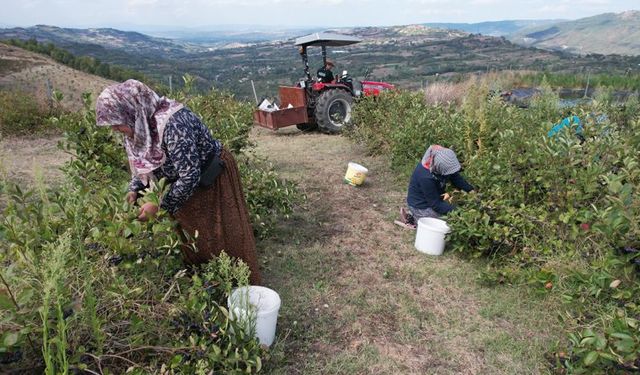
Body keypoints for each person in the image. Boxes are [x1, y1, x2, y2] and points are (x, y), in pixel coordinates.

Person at [95, 79, 261, 284]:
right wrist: (134, 189)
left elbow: (190, 175)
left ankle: (239, 284)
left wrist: (158, 205)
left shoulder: (173, 124)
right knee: (195, 237)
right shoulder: (139, 128)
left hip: (211, 178)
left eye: (116, 123)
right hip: (182, 185)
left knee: (222, 233)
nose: (115, 129)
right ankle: (209, 282)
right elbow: (141, 163)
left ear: (131, 112)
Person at [397, 145, 474, 229]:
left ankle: (415, 216)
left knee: (451, 215)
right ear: (439, 168)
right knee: (447, 224)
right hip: (422, 206)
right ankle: (413, 219)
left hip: (433, 198)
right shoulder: (425, 177)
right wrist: (460, 211)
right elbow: (436, 204)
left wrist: (471, 190)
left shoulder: (441, 161)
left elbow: (455, 177)